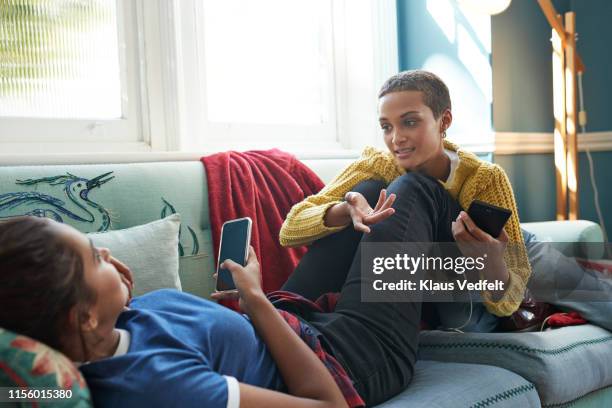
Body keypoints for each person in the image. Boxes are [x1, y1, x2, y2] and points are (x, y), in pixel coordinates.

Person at [0, 215, 435, 407]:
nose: (109, 253)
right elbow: (327, 405)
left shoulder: (113, 326)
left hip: (290, 320)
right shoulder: (163, 388)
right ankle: (468, 296)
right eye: (95, 256)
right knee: (408, 194)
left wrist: (239, 307)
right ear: (83, 316)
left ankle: (444, 293)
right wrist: (256, 300)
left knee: (361, 205)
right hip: (344, 361)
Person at [279, 70, 532, 334]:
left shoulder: (483, 179)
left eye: (409, 123)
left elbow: (511, 301)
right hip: (394, 292)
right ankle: (280, 322)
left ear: (444, 121)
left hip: (461, 307)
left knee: (401, 192)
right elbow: (290, 229)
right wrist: (347, 210)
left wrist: (491, 261)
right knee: (366, 191)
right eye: (386, 127)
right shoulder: (379, 165)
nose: (396, 138)